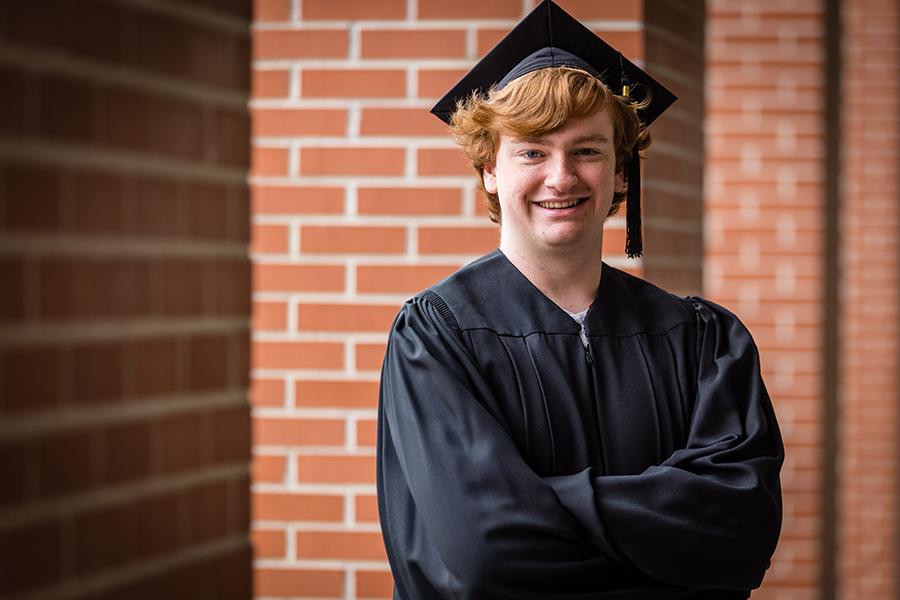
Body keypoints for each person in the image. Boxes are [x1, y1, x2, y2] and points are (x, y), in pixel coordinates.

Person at [376, 2, 784, 598]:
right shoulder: (438, 337)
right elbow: (484, 554)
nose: (561, 177)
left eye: (588, 150)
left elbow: (741, 531)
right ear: (490, 168)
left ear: (621, 170)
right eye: (533, 151)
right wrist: (664, 550)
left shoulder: (700, 339)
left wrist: (546, 503)